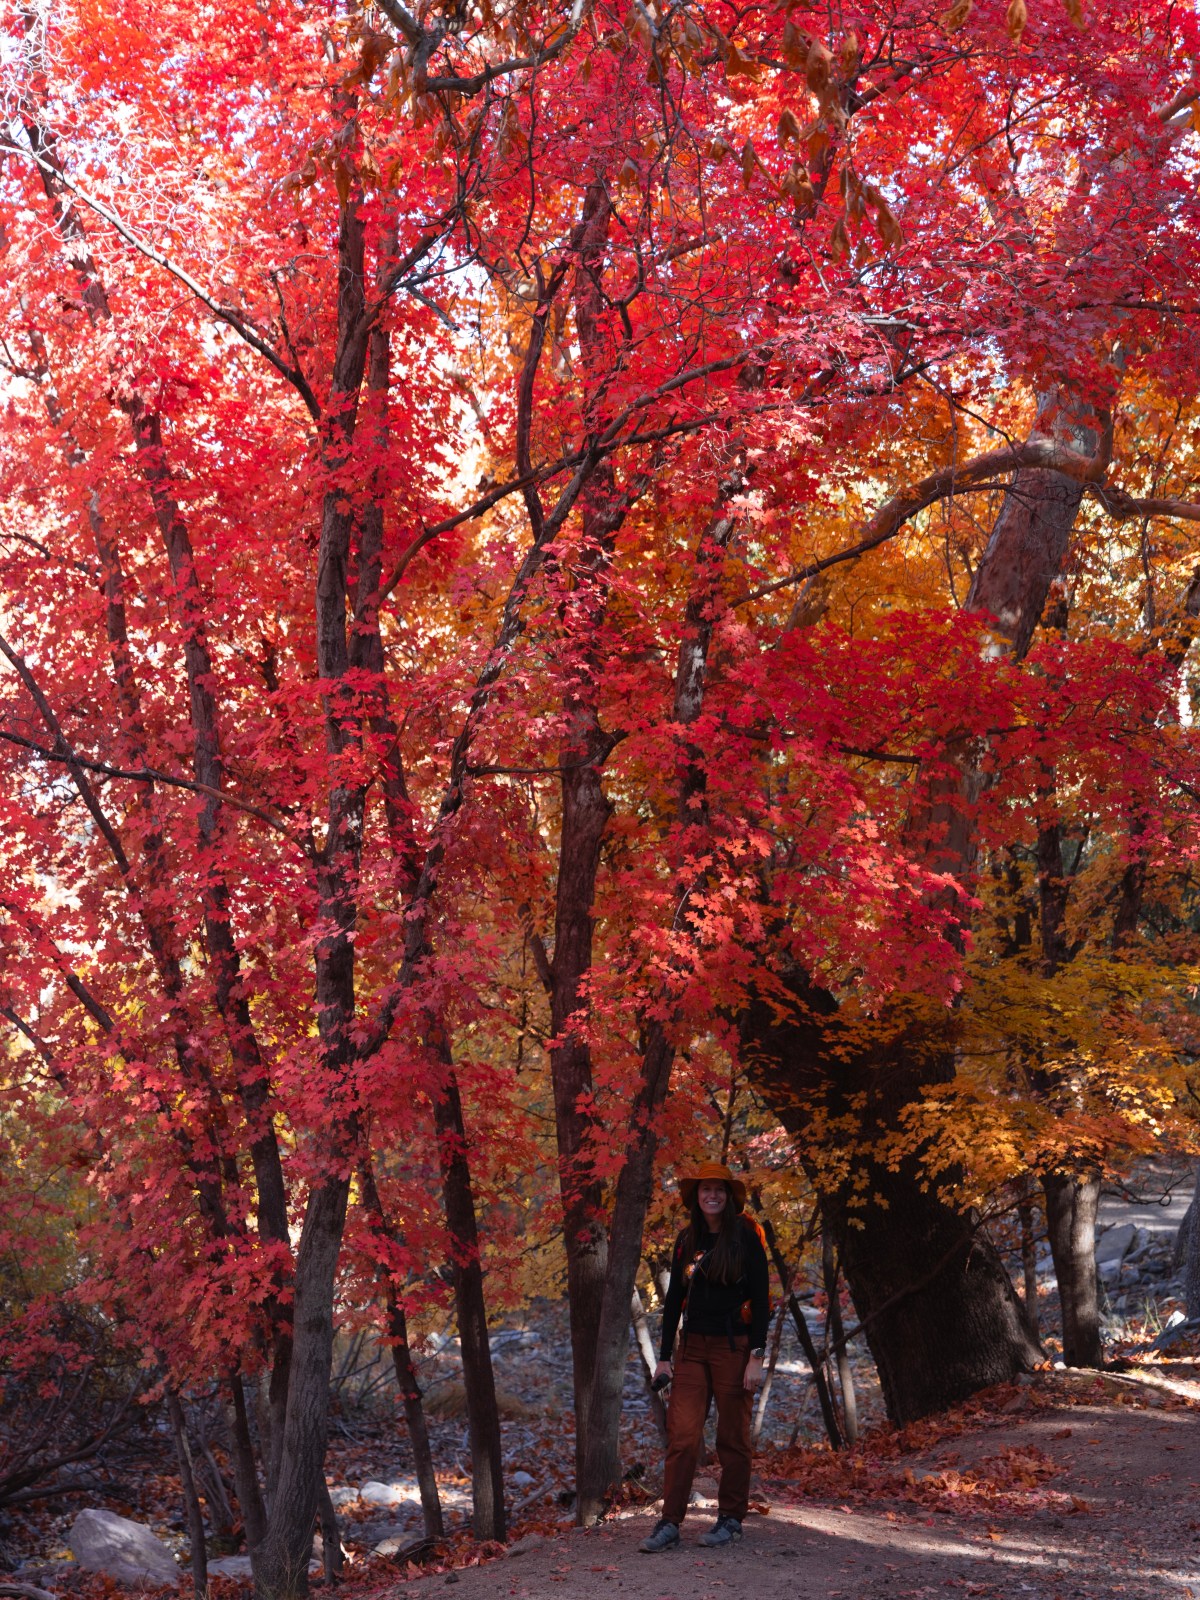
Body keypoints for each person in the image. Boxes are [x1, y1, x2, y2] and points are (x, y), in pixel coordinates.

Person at [638, 1161, 770, 1553]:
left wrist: (756, 1357)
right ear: (696, 1197)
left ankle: (731, 1518)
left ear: (728, 1197)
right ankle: (669, 1523)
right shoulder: (686, 1240)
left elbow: (762, 1301)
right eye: (704, 1190)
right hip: (692, 1348)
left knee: (732, 1437)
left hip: (735, 1348)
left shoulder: (746, 1237)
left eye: (719, 1189)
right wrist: (664, 1358)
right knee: (682, 1436)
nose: (711, 1195)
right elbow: (673, 1303)